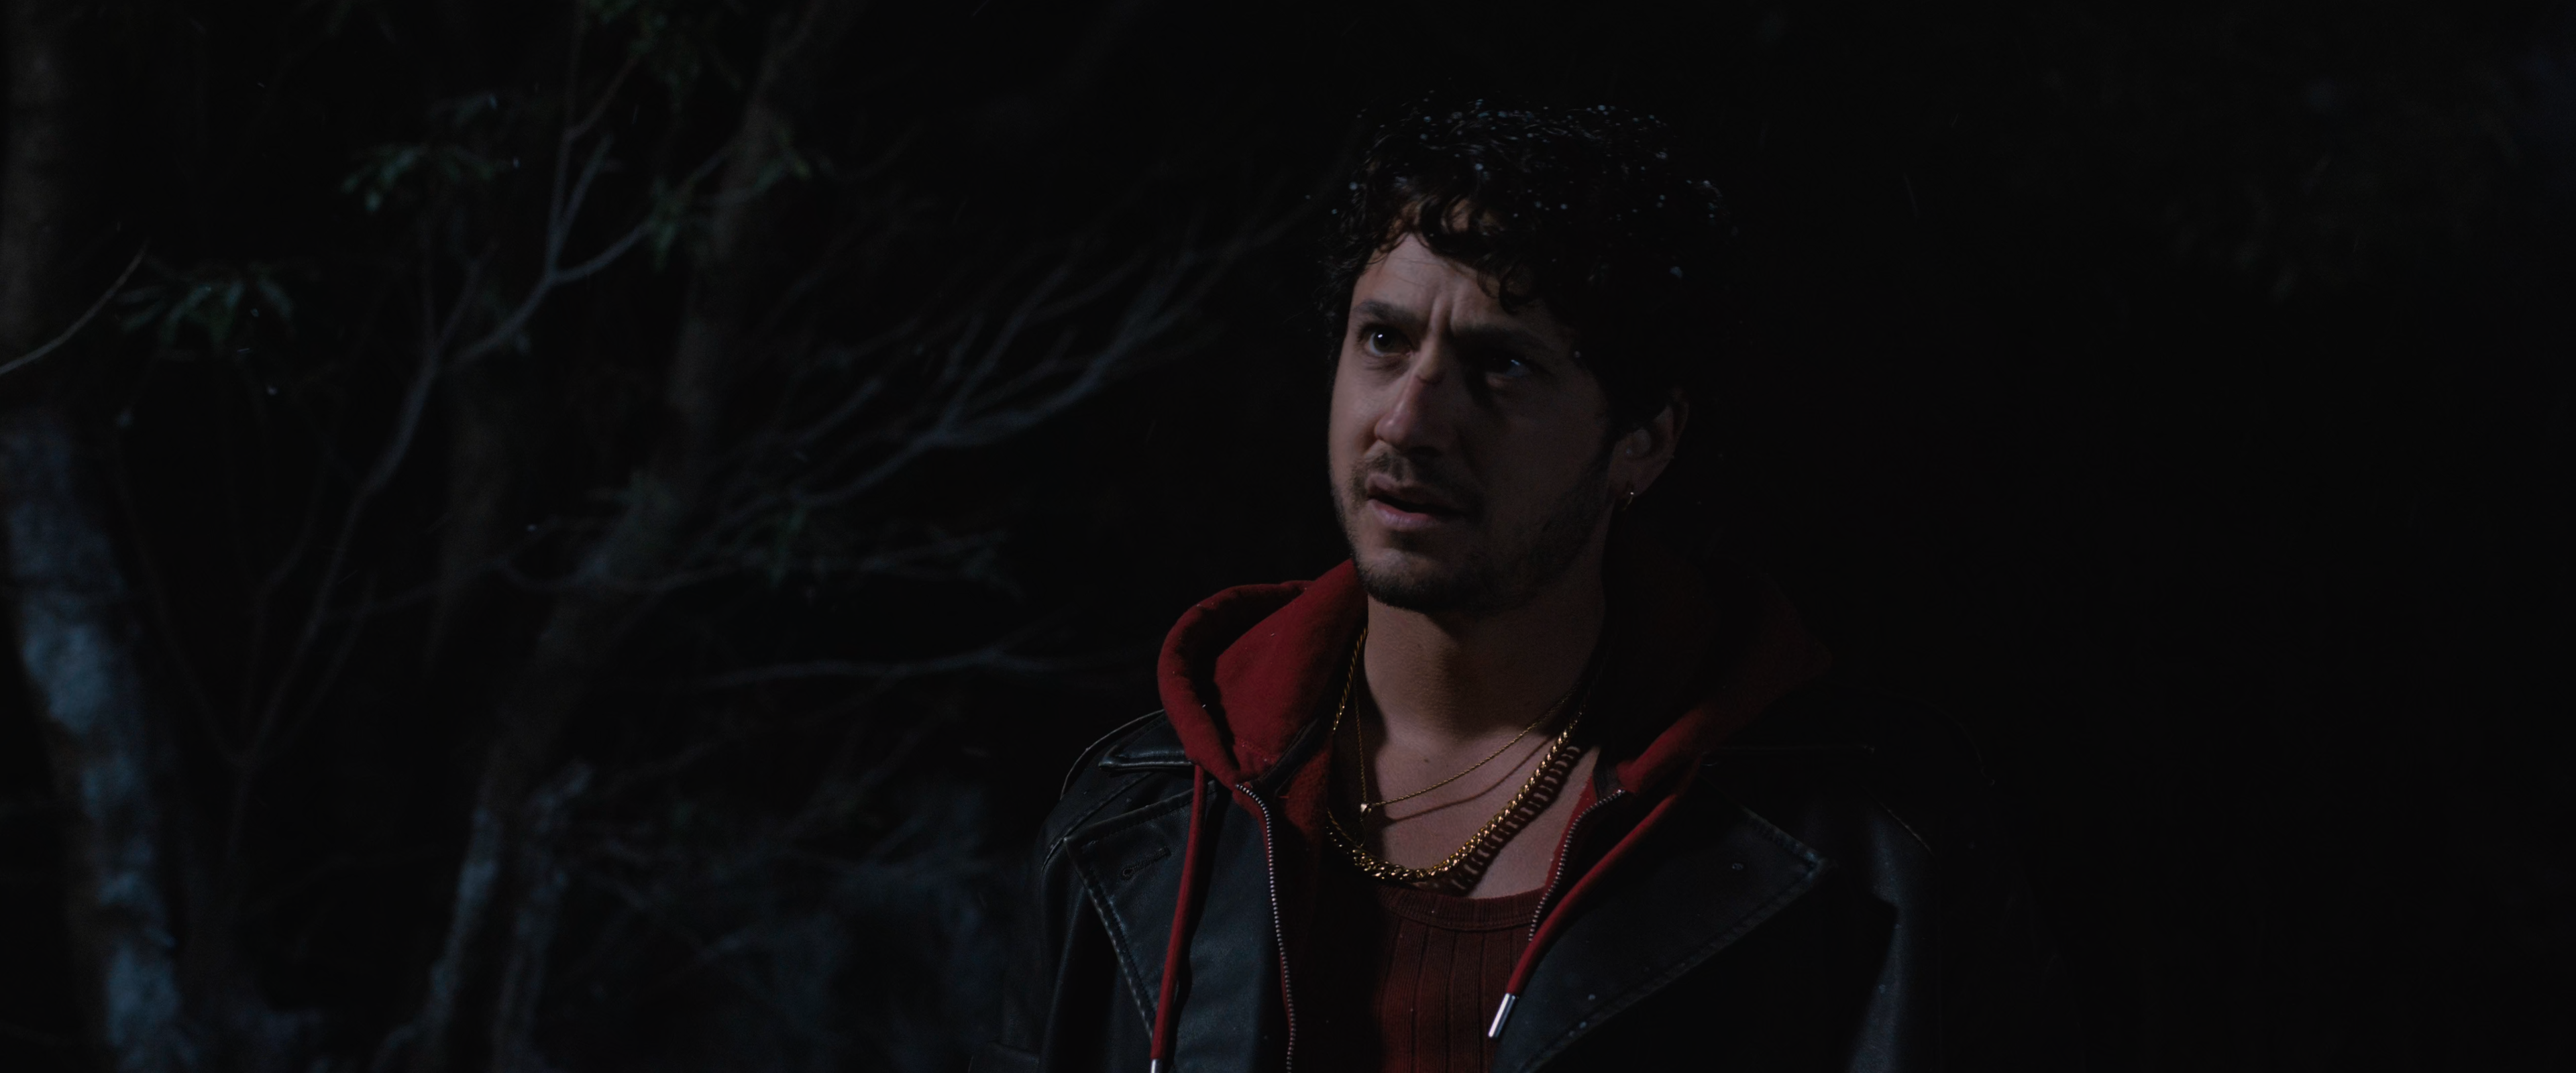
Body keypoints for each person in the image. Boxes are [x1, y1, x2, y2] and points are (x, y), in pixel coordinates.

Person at [977, 105, 2069, 1073]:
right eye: (1383, 341)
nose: (1411, 420)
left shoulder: (1873, 845)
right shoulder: (1142, 827)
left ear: (1643, 441)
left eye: (1502, 365)